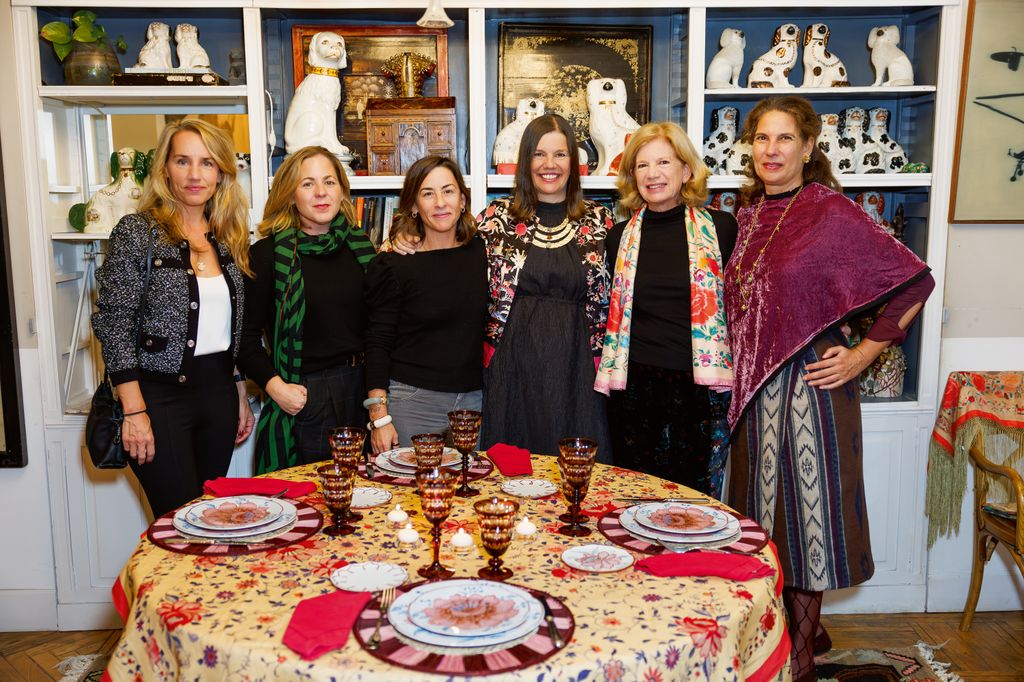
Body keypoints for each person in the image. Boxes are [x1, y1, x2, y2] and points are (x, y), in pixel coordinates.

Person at [723, 96, 935, 682]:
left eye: (784, 138)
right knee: (762, 523)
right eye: (762, 138)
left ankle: (801, 661)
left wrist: (866, 352)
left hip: (811, 391)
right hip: (753, 395)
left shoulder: (831, 212)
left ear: (808, 147)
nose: (771, 150)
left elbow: (916, 281)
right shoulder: (744, 215)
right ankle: (797, 630)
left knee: (806, 524)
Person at [92, 119, 254, 518]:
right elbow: (115, 323)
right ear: (164, 168)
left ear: (221, 172)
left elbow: (225, 329)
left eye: (207, 163)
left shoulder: (229, 235)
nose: (195, 174)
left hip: (217, 397)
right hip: (157, 401)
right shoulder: (138, 232)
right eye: (183, 161)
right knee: (177, 521)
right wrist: (133, 411)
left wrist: (239, 394)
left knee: (209, 518)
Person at [597, 121, 736, 497]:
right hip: (634, 389)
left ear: (686, 170)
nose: (653, 174)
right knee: (634, 499)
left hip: (700, 389)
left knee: (695, 503)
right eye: (642, 165)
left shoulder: (722, 229)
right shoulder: (618, 238)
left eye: (664, 162)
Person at [478, 114, 613, 460]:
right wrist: (407, 234)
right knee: (511, 471)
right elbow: (445, 251)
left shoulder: (602, 221)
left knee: (579, 473)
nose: (549, 164)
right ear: (525, 161)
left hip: (579, 367)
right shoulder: (496, 219)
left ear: (574, 161)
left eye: (560, 154)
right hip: (512, 365)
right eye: (539, 154)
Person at [238, 146, 376, 473]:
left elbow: (380, 323)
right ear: (290, 195)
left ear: (342, 189)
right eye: (307, 184)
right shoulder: (268, 255)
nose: (320, 193)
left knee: (364, 499)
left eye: (329, 182)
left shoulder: (361, 247)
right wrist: (277, 389)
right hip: (304, 394)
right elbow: (244, 341)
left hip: (360, 390)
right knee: (311, 503)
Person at [363, 156, 487, 454]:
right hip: (413, 401)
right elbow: (377, 341)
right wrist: (379, 417)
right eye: (428, 193)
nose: (440, 202)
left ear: (462, 199)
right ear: (414, 205)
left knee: (466, 492)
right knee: (407, 495)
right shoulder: (395, 263)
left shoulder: (483, 251)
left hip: (472, 403)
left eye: (448, 191)